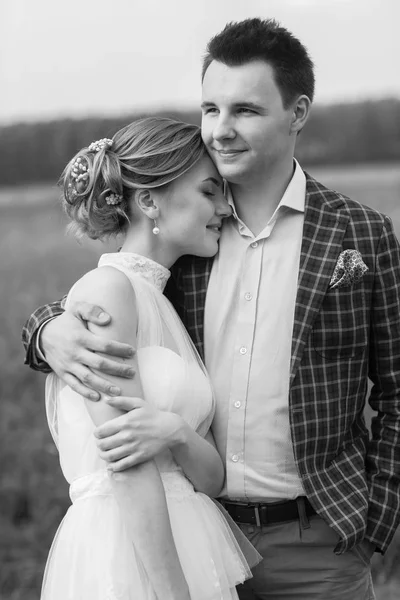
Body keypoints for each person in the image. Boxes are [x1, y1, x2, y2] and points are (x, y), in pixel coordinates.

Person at [22, 18, 400, 600]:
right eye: (210, 108)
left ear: (297, 113)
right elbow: (109, 298)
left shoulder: (362, 234)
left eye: (245, 110)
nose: (221, 130)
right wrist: (47, 331)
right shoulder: (192, 241)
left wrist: (377, 520)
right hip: (199, 535)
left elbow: (397, 391)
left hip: (320, 546)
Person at [31, 117, 261, 600]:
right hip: (130, 554)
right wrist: (173, 593)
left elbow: (211, 477)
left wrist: (175, 432)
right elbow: (126, 463)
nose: (225, 207)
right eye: (209, 192)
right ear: (150, 201)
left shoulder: (165, 300)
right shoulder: (107, 291)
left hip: (192, 541)